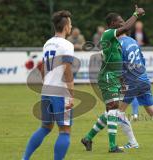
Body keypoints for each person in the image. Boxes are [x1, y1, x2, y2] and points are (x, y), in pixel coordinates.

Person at [81, 5, 145, 153]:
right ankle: (112, 146)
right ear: (111, 24)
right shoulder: (108, 34)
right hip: (107, 78)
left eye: (123, 21)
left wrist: (122, 79)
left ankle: (88, 138)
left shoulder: (115, 41)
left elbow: (116, 62)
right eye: (120, 22)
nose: (123, 24)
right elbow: (128, 26)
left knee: (110, 111)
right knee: (113, 110)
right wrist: (135, 14)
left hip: (114, 77)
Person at [22, 10, 74, 160]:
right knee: (64, 131)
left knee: (45, 127)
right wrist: (70, 94)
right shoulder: (67, 45)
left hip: (47, 90)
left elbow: (43, 68)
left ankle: (24, 158)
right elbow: (67, 71)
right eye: (70, 24)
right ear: (65, 27)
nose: (71, 27)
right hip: (60, 93)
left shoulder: (48, 43)